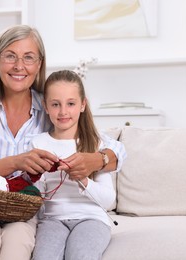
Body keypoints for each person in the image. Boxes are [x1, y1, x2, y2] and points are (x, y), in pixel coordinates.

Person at [0, 24, 126, 260]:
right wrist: (14, 162)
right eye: (10, 56)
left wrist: (96, 160)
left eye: (28, 57)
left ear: (39, 64)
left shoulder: (50, 107)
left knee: (17, 240)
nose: (19, 66)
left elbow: (114, 148)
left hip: (21, 212)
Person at [31, 70, 123, 260]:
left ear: (83, 105)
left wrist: (83, 178)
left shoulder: (95, 145)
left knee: (80, 256)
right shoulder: (38, 143)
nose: (63, 111)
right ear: (45, 107)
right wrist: (36, 179)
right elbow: (36, 196)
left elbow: (107, 200)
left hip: (91, 218)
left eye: (71, 104)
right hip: (52, 220)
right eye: (55, 104)